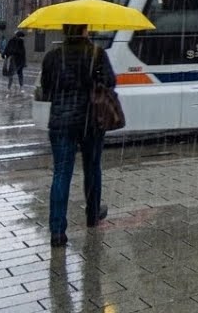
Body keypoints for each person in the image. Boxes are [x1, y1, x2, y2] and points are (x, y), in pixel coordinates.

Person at [39, 24, 116, 247]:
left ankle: (57, 231)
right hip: (90, 121)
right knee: (92, 167)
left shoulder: (52, 57)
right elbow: (111, 82)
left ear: (64, 31)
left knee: (61, 173)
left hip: (61, 122)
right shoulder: (96, 54)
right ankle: (92, 214)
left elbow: (46, 90)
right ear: (84, 30)